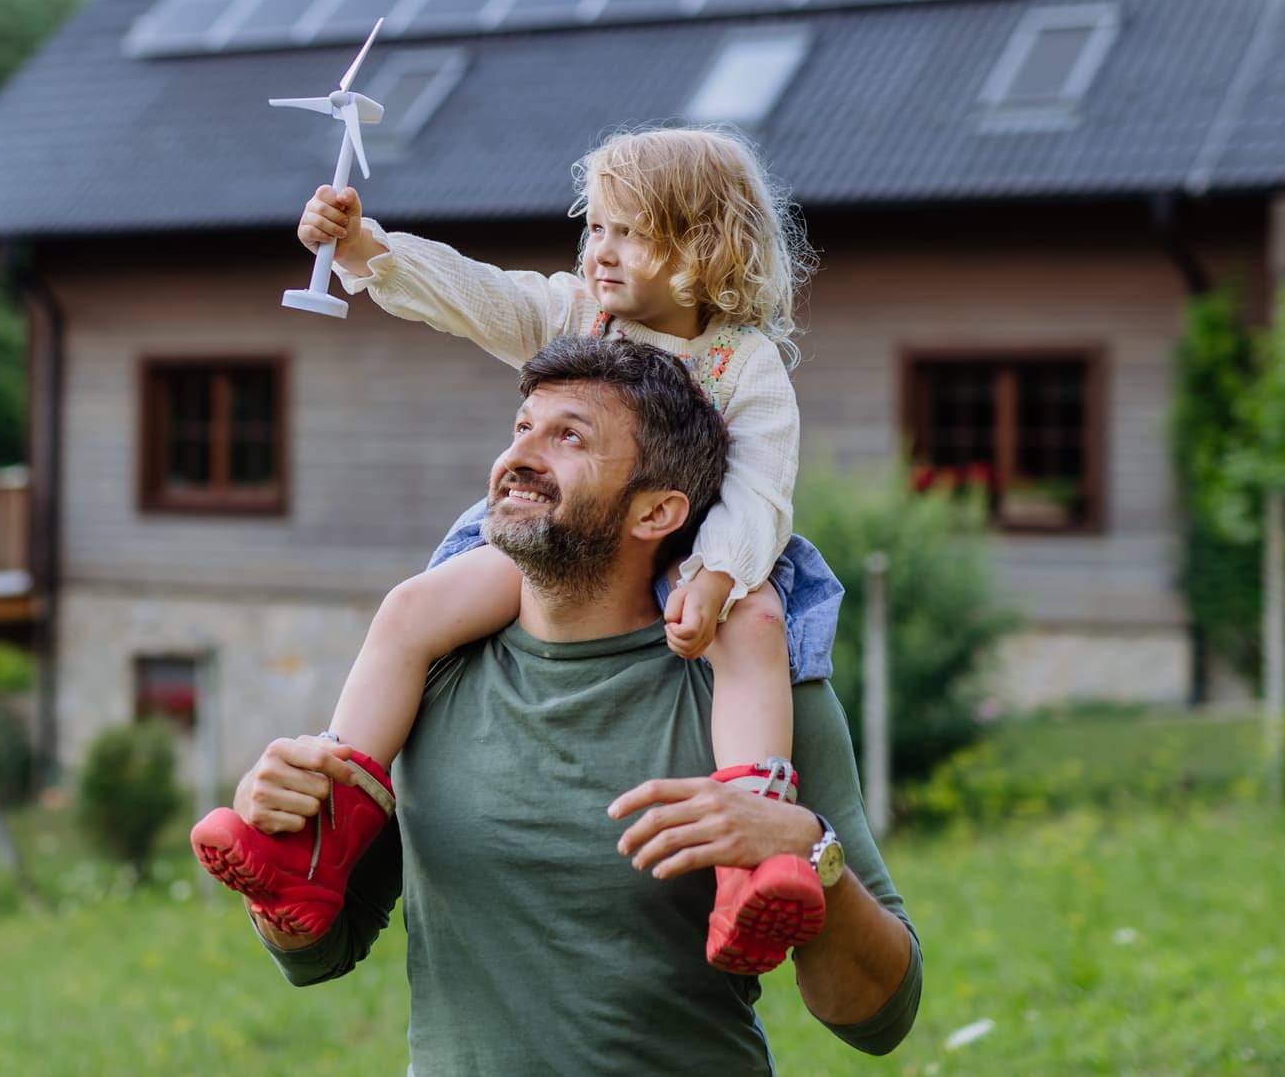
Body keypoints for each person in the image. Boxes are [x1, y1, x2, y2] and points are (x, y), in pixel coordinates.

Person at [193, 126, 846, 975]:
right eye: (596, 227)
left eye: (630, 232)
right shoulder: (575, 311)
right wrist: (365, 246)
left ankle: (749, 860)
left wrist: (716, 569)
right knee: (411, 611)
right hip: (563, 539)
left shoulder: (744, 364)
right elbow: (476, 295)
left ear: (702, 246)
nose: (601, 251)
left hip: (699, 549)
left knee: (756, 628)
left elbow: (761, 482)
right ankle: (324, 831)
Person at [223, 336, 921, 1072]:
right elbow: (317, 953)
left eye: (569, 437)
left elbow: (880, 1020)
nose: (519, 456)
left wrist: (808, 848)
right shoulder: (429, 673)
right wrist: (282, 821)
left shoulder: (755, 700)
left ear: (655, 513)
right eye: (521, 427)